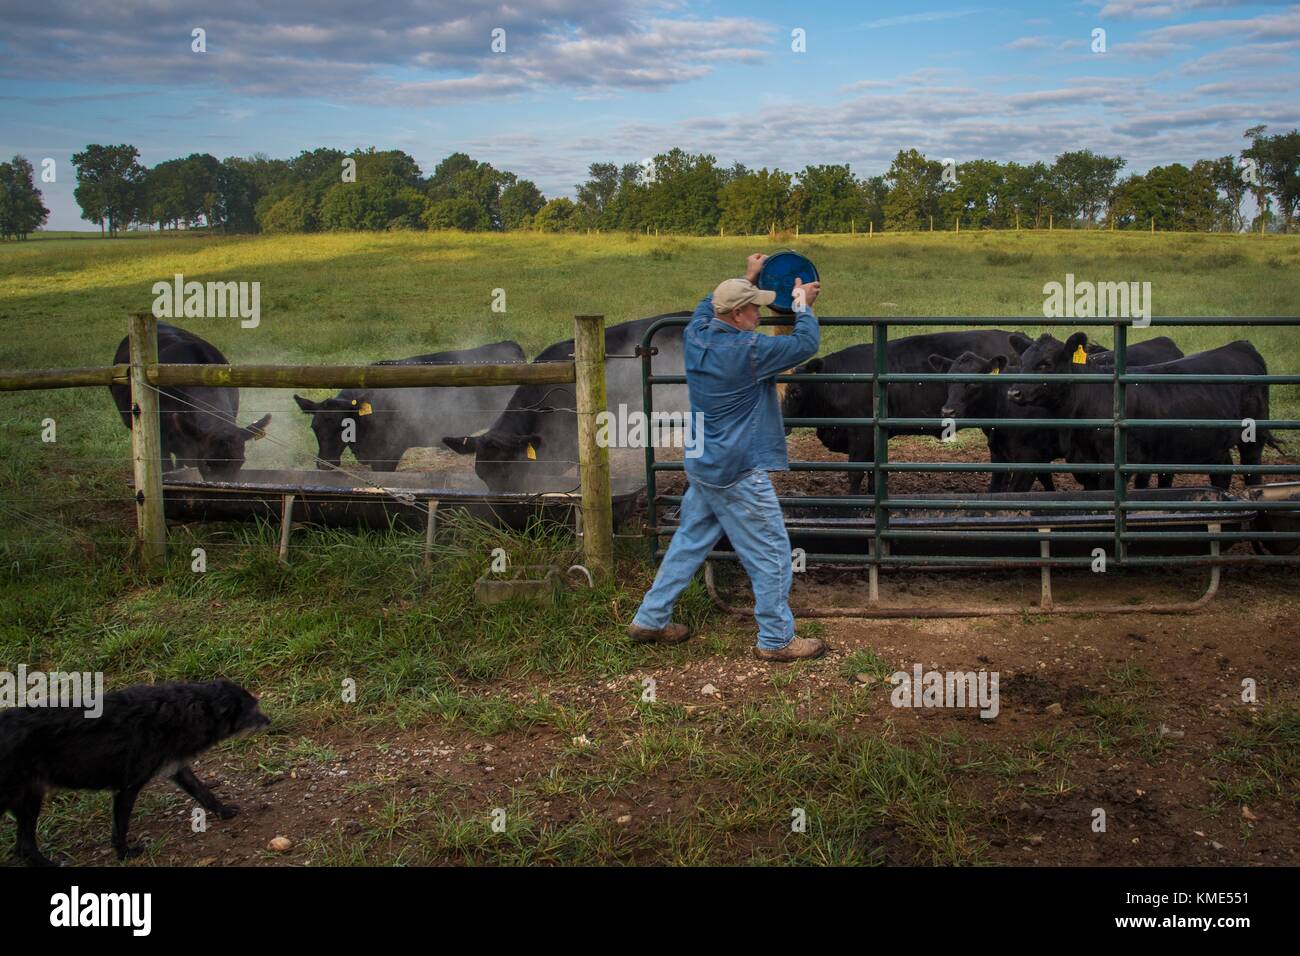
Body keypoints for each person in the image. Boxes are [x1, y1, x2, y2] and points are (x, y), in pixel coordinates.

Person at [627, 253, 826, 662]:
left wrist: (748, 274)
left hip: (702, 463)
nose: (759, 312)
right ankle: (776, 639)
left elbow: (705, 303)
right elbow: (804, 344)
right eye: (753, 306)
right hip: (736, 469)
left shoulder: (697, 333)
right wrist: (802, 303)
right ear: (737, 314)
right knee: (772, 551)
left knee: (687, 542)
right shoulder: (747, 351)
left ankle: (650, 618)